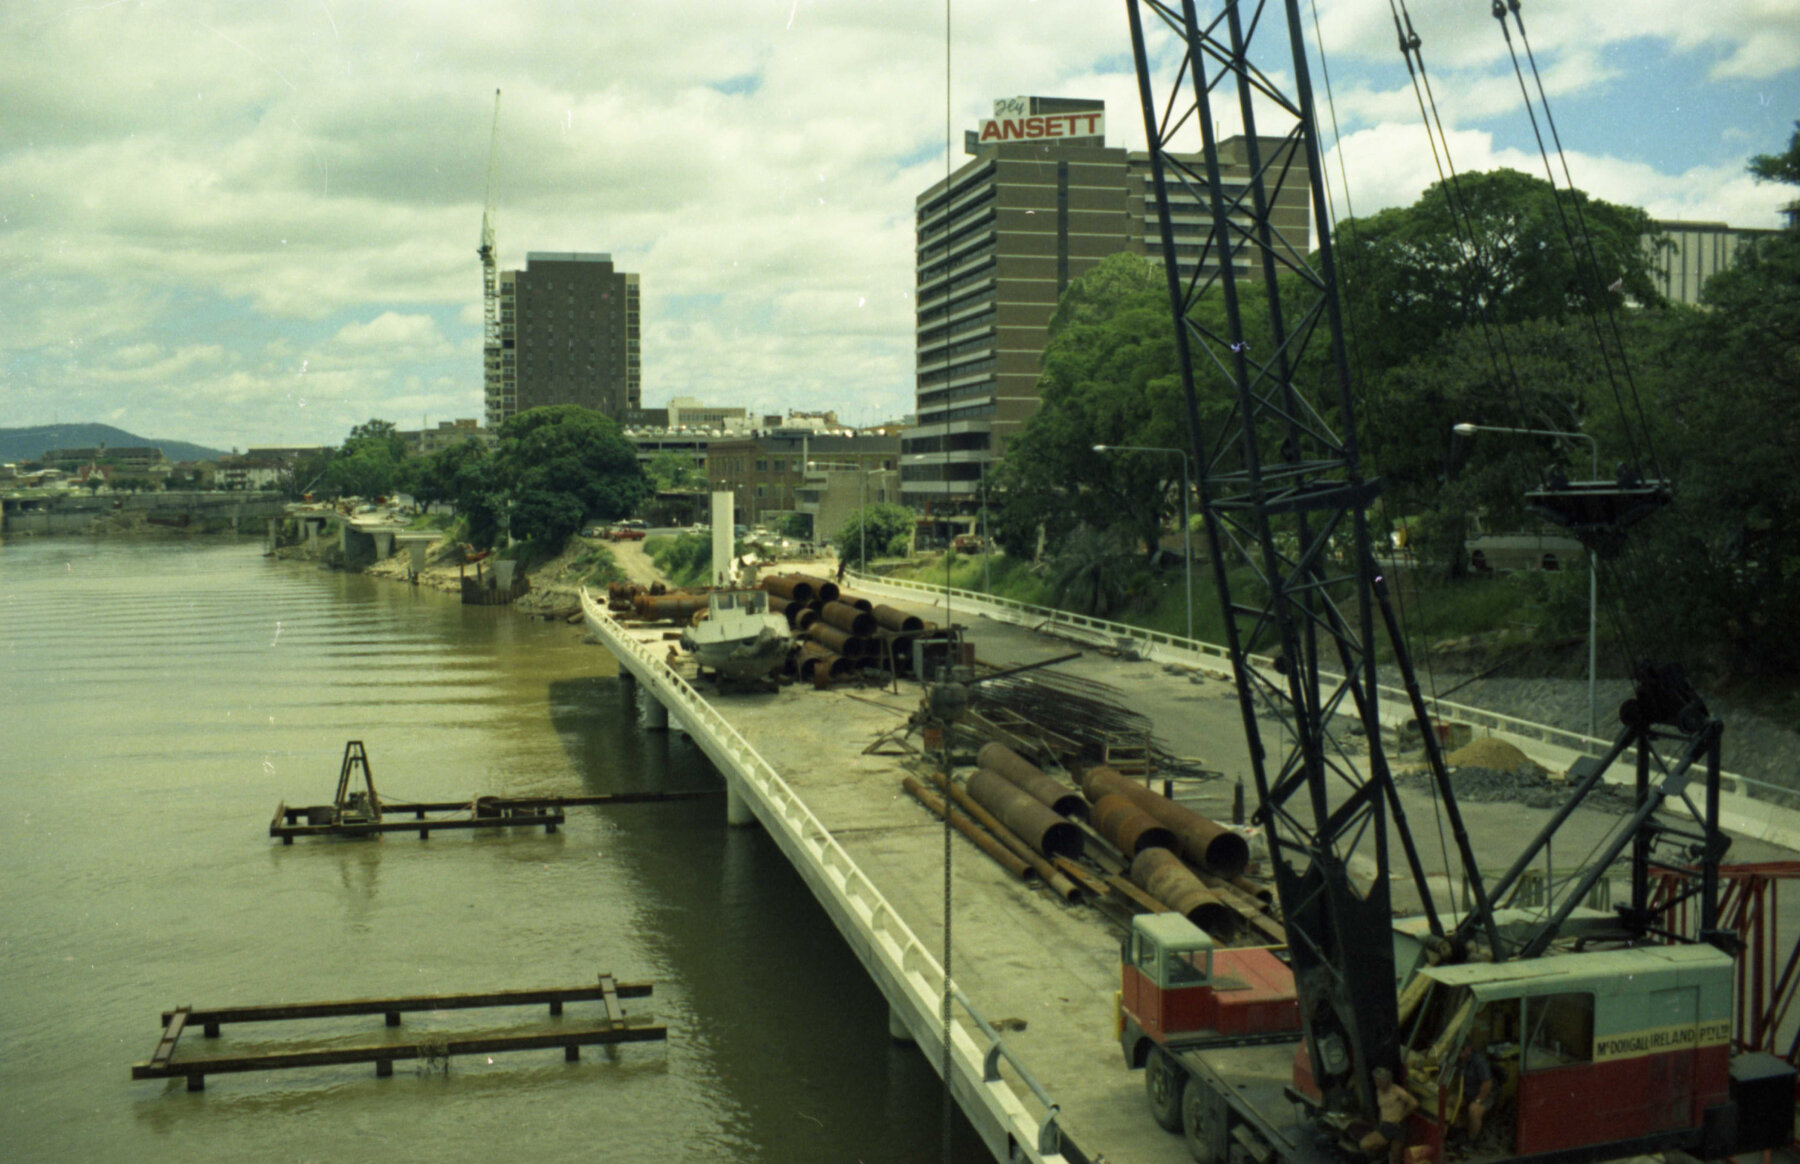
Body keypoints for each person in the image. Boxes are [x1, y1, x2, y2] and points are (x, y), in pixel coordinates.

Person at [1359, 1066, 1418, 1164]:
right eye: (1376, 1080)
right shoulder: (1378, 1091)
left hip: (1397, 1125)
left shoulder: (1397, 1091)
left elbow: (1414, 1103)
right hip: (1385, 1125)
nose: (1377, 1083)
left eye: (1379, 1081)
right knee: (1365, 1144)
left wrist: (1401, 1117)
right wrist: (1379, 1123)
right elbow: (1382, 1109)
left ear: (1386, 1081)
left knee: (1396, 1158)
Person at [1457, 1043, 1494, 1142]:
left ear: (1469, 1049)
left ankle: (1471, 1140)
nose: (1459, 1052)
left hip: (1485, 1094)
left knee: (1474, 1110)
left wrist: (1478, 1101)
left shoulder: (1479, 1062)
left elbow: (1487, 1084)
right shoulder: (1458, 1060)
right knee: (1452, 1102)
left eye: (1462, 1049)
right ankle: (1458, 1131)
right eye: (1458, 1049)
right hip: (1468, 1092)